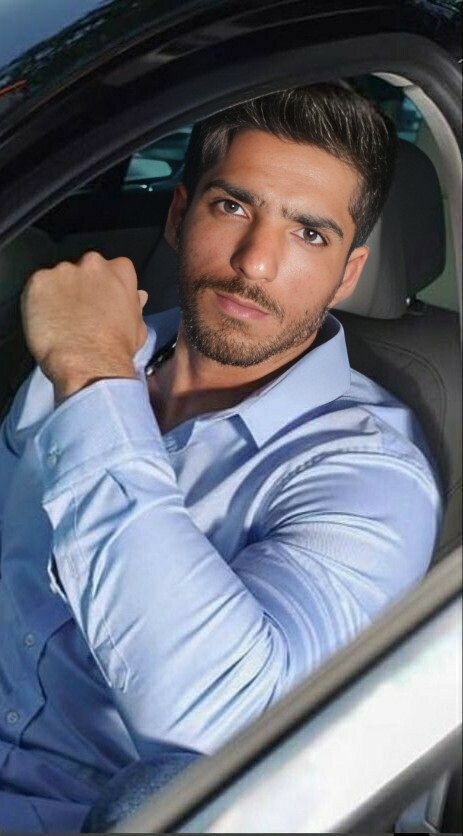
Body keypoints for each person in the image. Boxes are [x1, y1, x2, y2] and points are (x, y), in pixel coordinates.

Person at [0, 84, 441, 832]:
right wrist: (96, 368)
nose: (255, 262)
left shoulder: (370, 474)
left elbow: (221, 732)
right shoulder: (94, 350)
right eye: (233, 206)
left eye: (309, 234)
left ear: (348, 273)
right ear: (179, 216)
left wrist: (95, 381)